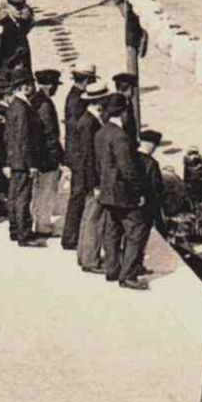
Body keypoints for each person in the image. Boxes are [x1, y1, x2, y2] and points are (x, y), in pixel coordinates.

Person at [95, 95, 151, 290]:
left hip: (107, 192)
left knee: (112, 231)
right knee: (137, 229)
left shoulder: (101, 133)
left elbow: (98, 164)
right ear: (124, 112)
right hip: (123, 193)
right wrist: (139, 192)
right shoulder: (121, 136)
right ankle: (128, 275)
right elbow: (128, 168)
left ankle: (112, 269)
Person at [70, 82, 112, 272]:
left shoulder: (88, 119)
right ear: (99, 101)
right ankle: (90, 260)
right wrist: (95, 183)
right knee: (94, 219)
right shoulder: (89, 123)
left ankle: (84, 256)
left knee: (88, 217)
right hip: (93, 178)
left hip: (87, 177)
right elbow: (88, 156)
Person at [4, 78, 47, 246]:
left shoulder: (13, 106)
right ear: (24, 87)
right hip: (23, 160)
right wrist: (31, 164)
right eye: (30, 85)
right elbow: (24, 138)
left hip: (15, 159)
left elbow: (8, 137)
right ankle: (24, 235)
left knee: (14, 197)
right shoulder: (23, 108)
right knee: (23, 198)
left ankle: (15, 230)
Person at [30, 69, 65, 237]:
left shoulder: (35, 100)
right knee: (47, 191)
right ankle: (43, 225)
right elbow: (50, 134)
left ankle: (38, 221)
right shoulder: (44, 105)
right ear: (50, 86)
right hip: (47, 157)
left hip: (39, 155)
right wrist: (57, 155)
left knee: (39, 191)